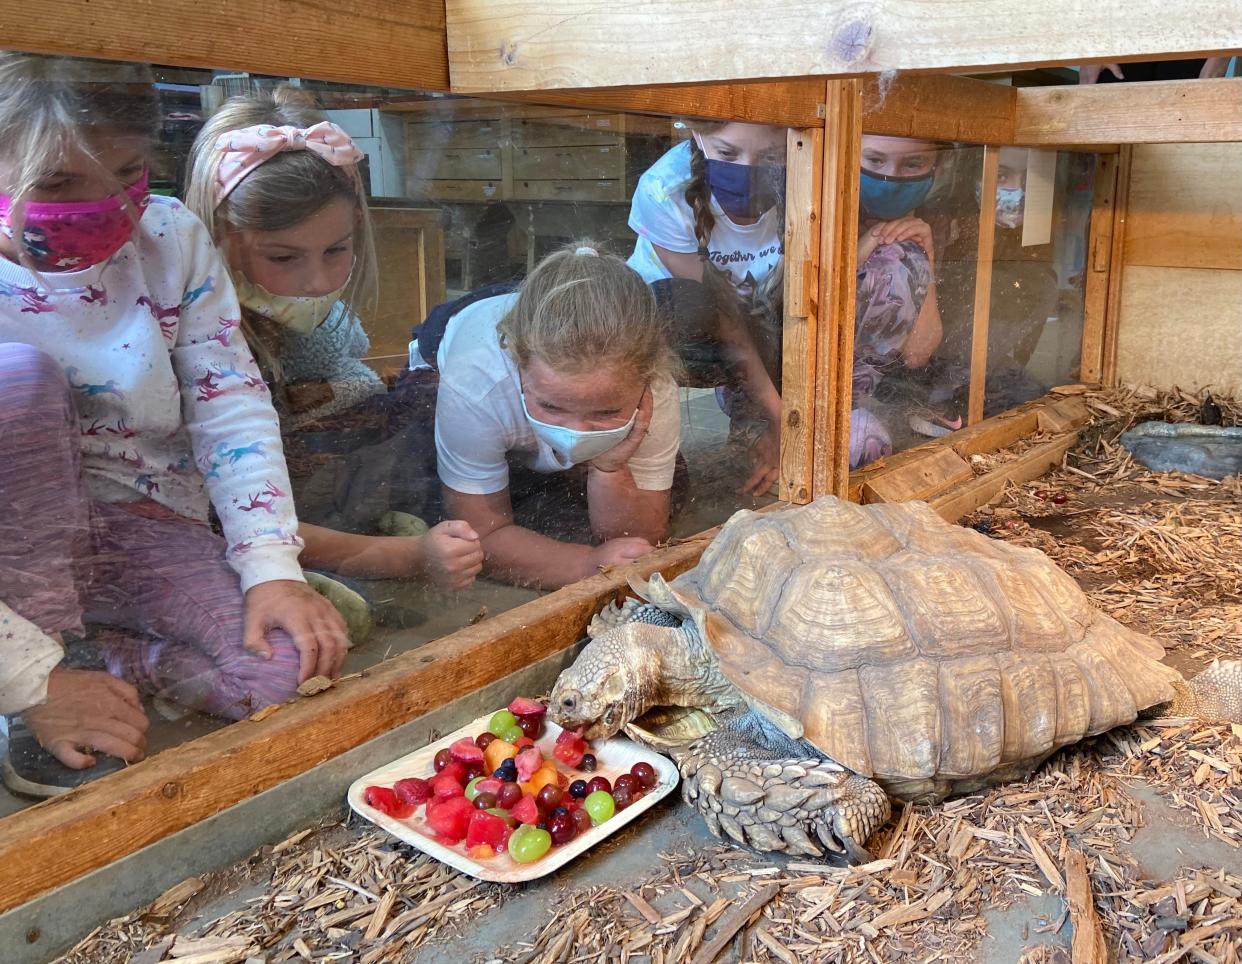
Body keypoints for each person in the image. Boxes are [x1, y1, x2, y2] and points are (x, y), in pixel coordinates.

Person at [0, 54, 347, 797]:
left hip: (143, 522)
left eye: (126, 173)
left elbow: (230, 402)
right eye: (56, 184)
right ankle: (42, 677)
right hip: (13, 558)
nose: (102, 204)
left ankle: (109, 657)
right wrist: (32, 679)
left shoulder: (171, 237)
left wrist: (271, 570)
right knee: (18, 381)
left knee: (285, 669)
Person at [184, 91, 483, 591]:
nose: (319, 282)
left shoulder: (322, 322)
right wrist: (404, 555)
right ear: (219, 236)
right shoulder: (195, 346)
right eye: (282, 258)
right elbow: (226, 515)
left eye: (337, 249)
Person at [409, 244, 681, 589]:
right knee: (421, 486)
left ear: (647, 379)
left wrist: (609, 469)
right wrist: (585, 565)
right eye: (551, 407)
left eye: (607, 411)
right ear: (518, 368)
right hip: (457, 326)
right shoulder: (476, 383)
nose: (576, 431)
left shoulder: (657, 388)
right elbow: (478, 534)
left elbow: (640, 538)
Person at [627, 121, 786, 496]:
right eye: (728, 153)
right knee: (690, 309)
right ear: (697, 135)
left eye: (770, 156)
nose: (747, 169)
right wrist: (781, 416)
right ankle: (635, 444)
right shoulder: (664, 189)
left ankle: (754, 429)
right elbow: (725, 317)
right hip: (688, 328)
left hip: (762, 311)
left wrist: (783, 423)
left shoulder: (808, 168)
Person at [849, 134, 947, 467]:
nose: (891, 177)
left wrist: (925, 254)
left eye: (913, 163)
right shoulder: (809, 209)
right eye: (874, 161)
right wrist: (852, 262)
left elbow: (918, 353)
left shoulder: (925, 229)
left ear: (938, 165)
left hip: (862, 399)